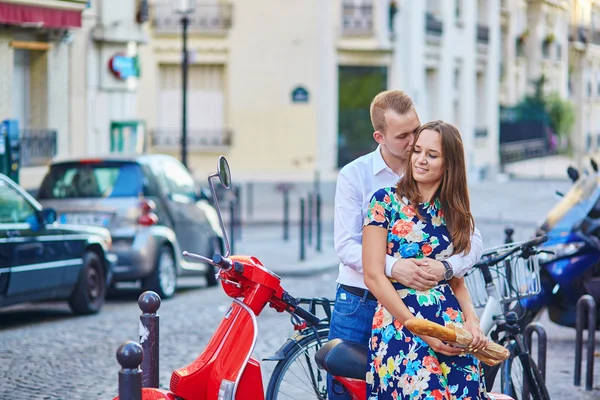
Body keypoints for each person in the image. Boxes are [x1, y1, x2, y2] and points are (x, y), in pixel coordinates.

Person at [329, 90, 483, 399]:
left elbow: (469, 245)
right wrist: (394, 267)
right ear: (380, 137)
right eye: (404, 137)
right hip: (361, 302)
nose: (415, 144)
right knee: (345, 392)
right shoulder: (358, 178)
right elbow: (346, 246)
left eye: (417, 130)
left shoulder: (443, 197)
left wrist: (446, 268)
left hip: (438, 315)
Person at [363, 120, 488, 399]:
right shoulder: (384, 202)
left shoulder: (456, 213)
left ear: (449, 165)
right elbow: (372, 275)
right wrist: (419, 329)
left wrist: (472, 320)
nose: (420, 160)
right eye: (417, 151)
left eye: (431, 155)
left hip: (449, 324)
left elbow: (457, 282)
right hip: (400, 323)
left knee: (467, 392)